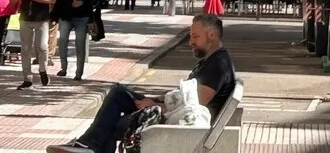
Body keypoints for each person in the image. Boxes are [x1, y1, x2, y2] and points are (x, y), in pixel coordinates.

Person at [51, 14, 236, 153]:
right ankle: (87, 144)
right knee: (119, 93)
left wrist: (156, 106)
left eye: (195, 37)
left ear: (212, 35)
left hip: (184, 125)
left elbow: (195, 106)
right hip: (178, 115)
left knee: (114, 124)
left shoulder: (217, 65)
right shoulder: (212, 60)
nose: (190, 42)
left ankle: (88, 145)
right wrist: (157, 100)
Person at [12, 0, 56, 89]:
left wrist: (41, 0)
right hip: (25, 18)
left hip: (41, 18)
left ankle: (42, 70)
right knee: (25, 49)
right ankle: (27, 78)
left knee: (42, 47)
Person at [53, 0, 98, 81]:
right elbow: (60, 0)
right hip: (66, 15)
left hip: (82, 16)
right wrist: (54, 16)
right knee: (62, 42)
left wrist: (83, 2)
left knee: (80, 44)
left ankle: (79, 73)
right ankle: (63, 68)